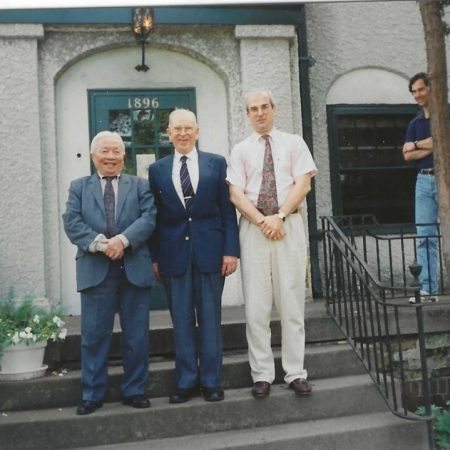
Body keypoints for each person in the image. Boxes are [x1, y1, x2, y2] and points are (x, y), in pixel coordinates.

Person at [227, 89, 317, 399]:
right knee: (256, 307)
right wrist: (263, 221)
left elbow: (303, 184)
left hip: (288, 226)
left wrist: (279, 216)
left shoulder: (294, 143)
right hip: (255, 230)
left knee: (291, 303)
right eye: (254, 109)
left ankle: (295, 372)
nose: (260, 113)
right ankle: (262, 375)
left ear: (273, 109)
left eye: (264, 106)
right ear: (247, 115)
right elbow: (236, 194)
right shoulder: (240, 150)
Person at [148, 109, 239, 404]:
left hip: (210, 253)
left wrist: (230, 251)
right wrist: (154, 258)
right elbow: (155, 219)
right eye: (177, 129)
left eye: (188, 128)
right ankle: (186, 382)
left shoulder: (216, 163)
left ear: (197, 132)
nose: (183, 133)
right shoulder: (157, 170)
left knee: (210, 320)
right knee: (182, 321)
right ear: (169, 134)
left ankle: (211, 382)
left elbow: (228, 212)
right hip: (173, 255)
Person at [63, 131, 156, 415]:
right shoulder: (79, 187)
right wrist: (103, 244)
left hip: (134, 267)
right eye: (105, 151)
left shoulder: (139, 185)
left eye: (116, 151)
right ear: (94, 156)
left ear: (123, 157)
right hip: (95, 268)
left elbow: (149, 217)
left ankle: (135, 390)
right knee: (93, 336)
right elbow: (72, 222)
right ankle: (92, 394)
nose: (111, 156)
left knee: (136, 336)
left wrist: (122, 241)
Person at [402, 73, 439, 303]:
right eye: (413, 91)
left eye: (421, 89)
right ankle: (429, 290)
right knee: (425, 236)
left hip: (444, 179)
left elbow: (443, 141)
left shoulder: (444, 115)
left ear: (430, 88)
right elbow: (407, 155)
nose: (417, 95)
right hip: (424, 180)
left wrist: (416, 145)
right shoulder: (415, 123)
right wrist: (431, 144)